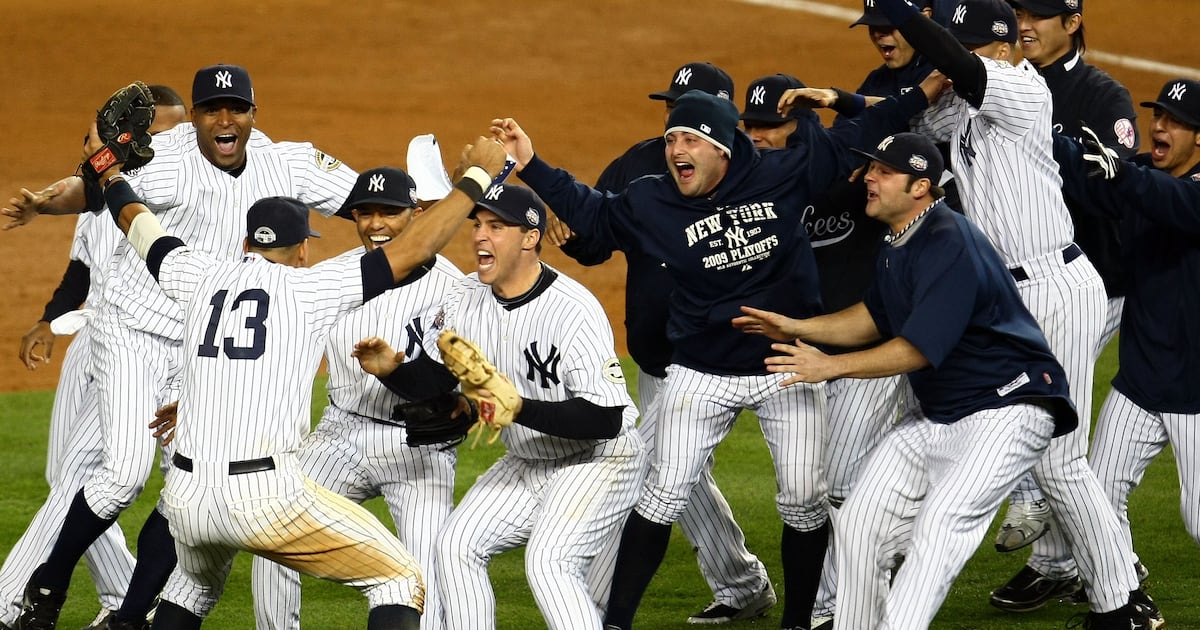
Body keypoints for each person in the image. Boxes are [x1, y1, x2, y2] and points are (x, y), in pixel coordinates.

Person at [494, 79, 932, 629]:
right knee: (660, 496)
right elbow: (594, 212)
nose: (677, 150)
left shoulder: (784, 172)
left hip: (783, 363)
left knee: (804, 500)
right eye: (671, 139)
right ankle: (617, 622)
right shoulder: (652, 199)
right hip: (701, 369)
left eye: (691, 140)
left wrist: (913, 91)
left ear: (722, 148)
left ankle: (799, 621)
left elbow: (866, 131)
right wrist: (531, 165)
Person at [733, 131, 1160, 630]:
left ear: (920, 187)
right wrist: (798, 328)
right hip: (940, 415)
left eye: (884, 171)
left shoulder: (948, 240)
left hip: (1005, 411)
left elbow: (916, 348)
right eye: (871, 167)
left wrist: (829, 366)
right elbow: (874, 316)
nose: (869, 177)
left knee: (940, 527)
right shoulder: (899, 240)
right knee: (859, 523)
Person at [88, 127, 507, 629]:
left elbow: (140, 226)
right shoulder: (314, 289)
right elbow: (413, 250)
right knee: (398, 579)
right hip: (279, 482)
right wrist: (477, 177)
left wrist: (107, 172)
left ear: (245, 241)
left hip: (191, 492)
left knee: (192, 586)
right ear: (304, 248)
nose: (375, 223)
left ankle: (130, 618)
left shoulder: (196, 274)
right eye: (365, 213)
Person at [8, 65, 360, 630]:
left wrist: (455, 194)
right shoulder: (167, 158)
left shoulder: (284, 161)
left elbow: (369, 198)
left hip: (199, 345)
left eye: (236, 108)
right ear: (194, 117)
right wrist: (45, 203)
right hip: (133, 331)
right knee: (123, 474)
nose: (224, 120)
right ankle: (47, 586)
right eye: (211, 109)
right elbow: (95, 190)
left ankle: (129, 616)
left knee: (189, 489)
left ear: (253, 114)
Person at [871, 0, 1159, 623]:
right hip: (1008, 299)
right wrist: (836, 103)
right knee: (1022, 450)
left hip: (1055, 287)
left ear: (1000, 49)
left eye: (969, 47)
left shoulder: (1020, 88)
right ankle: (1115, 592)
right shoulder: (967, 104)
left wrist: (904, 12)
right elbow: (898, 125)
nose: (956, 60)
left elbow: (954, 63)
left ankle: (1122, 599)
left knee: (1060, 461)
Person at [353, 183, 646, 630]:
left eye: (496, 226)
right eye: (478, 225)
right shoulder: (464, 297)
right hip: (528, 460)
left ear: (530, 237)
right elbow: (436, 379)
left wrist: (520, 408)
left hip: (600, 461)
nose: (480, 236)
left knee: (550, 562)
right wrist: (392, 371)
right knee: (455, 546)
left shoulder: (574, 310)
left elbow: (606, 419)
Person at [548, 61, 777, 625]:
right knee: (676, 475)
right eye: (671, 108)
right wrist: (573, 236)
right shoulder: (638, 163)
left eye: (688, 110)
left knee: (650, 469)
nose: (674, 121)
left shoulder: (760, 173)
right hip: (660, 354)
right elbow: (596, 238)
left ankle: (595, 602)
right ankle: (742, 585)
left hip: (744, 350)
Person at [0, 86, 188, 630]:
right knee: (67, 474)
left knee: (88, 474)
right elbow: (82, 266)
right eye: (154, 131)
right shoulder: (105, 188)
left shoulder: (182, 192)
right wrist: (48, 319)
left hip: (152, 349)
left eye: (173, 131)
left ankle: (12, 602)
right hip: (95, 339)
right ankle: (123, 596)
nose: (162, 141)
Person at [248, 166, 465, 630]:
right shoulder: (335, 278)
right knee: (270, 527)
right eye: (365, 213)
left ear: (417, 215)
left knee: (427, 571)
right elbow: (273, 351)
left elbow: (454, 382)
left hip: (417, 448)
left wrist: (428, 389)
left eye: (389, 212)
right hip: (340, 435)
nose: (375, 224)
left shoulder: (455, 289)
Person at [989, 0, 1144, 612]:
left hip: (1096, 281)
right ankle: (1060, 562)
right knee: (1033, 404)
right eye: (1018, 13)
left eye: (1040, 15)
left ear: (1072, 23)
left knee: (1043, 401)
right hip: (1023, 282)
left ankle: (1049, 523)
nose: (1025, 25)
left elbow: (1117, 184)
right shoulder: (1000, 85)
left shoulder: (1102, 96)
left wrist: (1048, 146)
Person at [1052, 76, 1200, 625]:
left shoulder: (1178, 188)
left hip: (1196, 391)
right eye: (1157, 116)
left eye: (1175, 122)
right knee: (1097, 493)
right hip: (1141, 380)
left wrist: (1123, 173)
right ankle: (1125, 591)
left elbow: (1171, 201)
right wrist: (1044, 136)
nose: (1159, 127)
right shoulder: (1140, 174)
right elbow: (1093, 181)